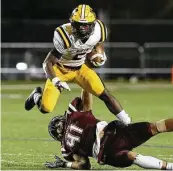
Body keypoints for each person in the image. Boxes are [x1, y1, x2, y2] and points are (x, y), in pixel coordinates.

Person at [24, 4, 131, 125]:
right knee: (46, 108)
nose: (82, 29)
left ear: (93, 24)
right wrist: (56, 80)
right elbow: (47, 62)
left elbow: (98, 43)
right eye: (79, 25)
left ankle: (127, 122)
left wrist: (99, 54)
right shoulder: (64, 34)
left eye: (85, 25)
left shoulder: (99, 30)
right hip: (60, 70)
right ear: (72, 23)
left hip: (80, 69)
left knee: (104, 93)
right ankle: (36, 95)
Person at [45, 90, 173, 170]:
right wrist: (85, 78)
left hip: (107, 149)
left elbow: (84, 165)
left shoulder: (65, 147)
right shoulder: (73, 116)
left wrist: (65, 164)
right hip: (114, 133)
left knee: (133, 157)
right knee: (155, 127)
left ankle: (169, 167)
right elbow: (87, 94)